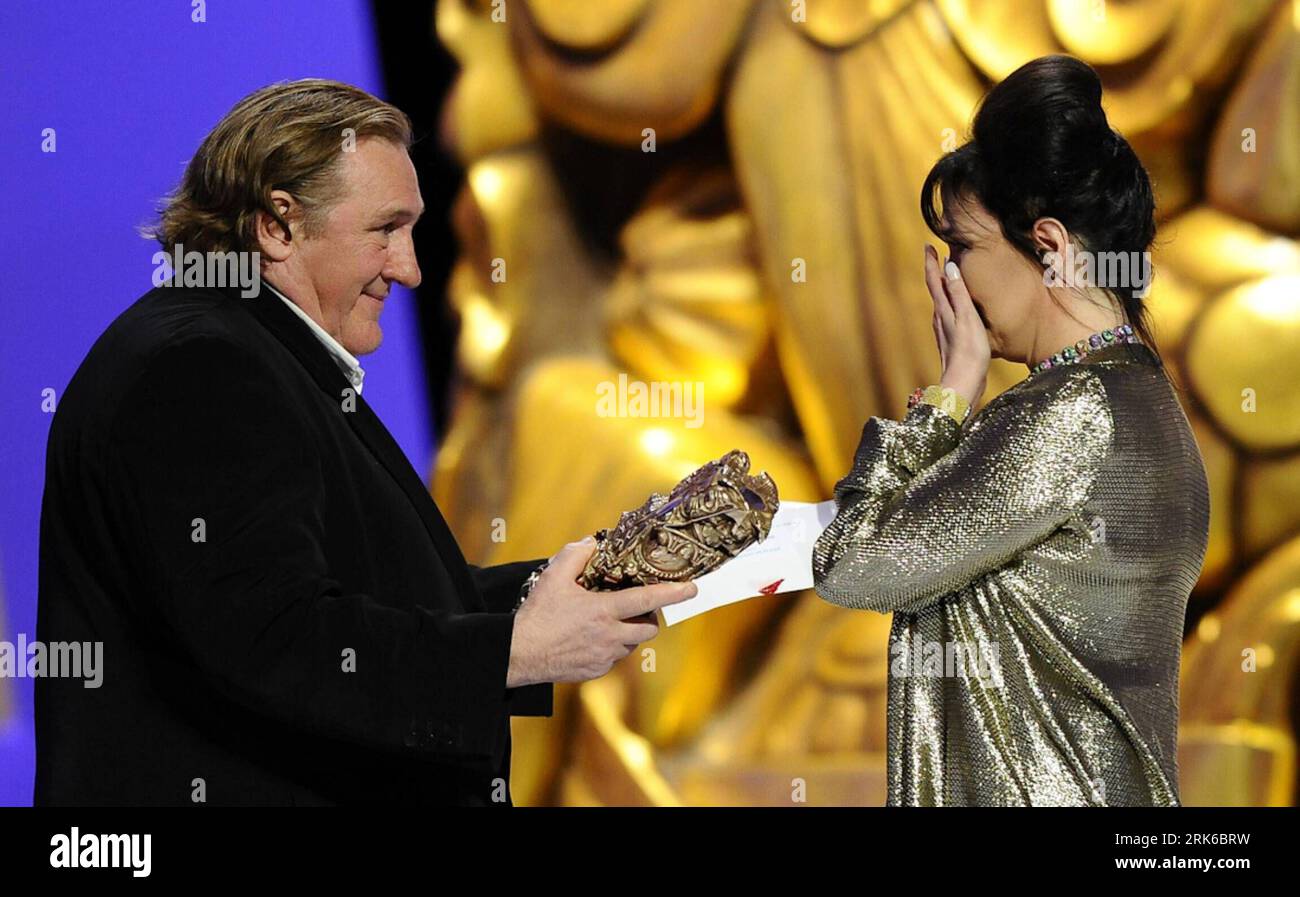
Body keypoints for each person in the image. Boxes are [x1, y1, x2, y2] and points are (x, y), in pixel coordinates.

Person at [34, 79, 694, 806]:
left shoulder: (252, 351)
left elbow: (366, 595)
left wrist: (589, 580)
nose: (409, 268)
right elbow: (275, 636)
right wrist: (517, 650)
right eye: (385, 229)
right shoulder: (200, 366)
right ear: (277, 224)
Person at [811, 56, 1210, 806]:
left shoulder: (1067, 415)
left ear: (1051, 249)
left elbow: (853, 563)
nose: (951, 278)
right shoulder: (1143, 403)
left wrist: (948, 394)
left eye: (964, 248)